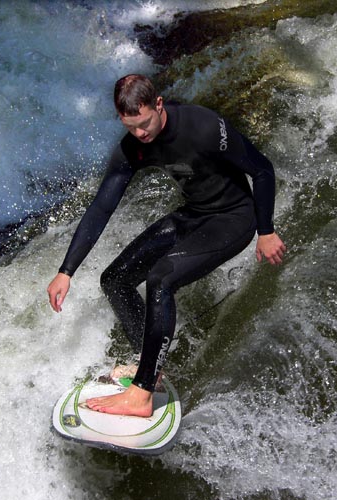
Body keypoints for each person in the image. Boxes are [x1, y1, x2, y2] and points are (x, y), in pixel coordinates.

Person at [47, 74, 285, 417]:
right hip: (195, 213)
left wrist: (266, 230)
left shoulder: (202, 125)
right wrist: (65, 271)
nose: (141, 134)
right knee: (115, 279)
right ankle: (151, 367)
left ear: (159, 105)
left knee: (161, 279)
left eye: (144, 124)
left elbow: (262, 169)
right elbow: (101, 207)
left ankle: (142, 394)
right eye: (131, 127)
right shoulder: (134, 146)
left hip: (234, 219)